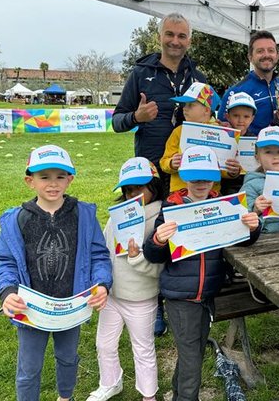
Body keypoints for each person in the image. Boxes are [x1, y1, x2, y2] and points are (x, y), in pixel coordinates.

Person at [0, 145, 112, 401]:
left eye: (60, 176)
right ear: (30, 181)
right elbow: (5, 262)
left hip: (70, 307)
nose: (53, 184)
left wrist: (101, 284)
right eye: (44, 177)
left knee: (68, 358)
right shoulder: (16, 220)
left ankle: (65, 396)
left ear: (70, 179)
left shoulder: (83, 215)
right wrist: (7, 292)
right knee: (29, 367)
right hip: (30, 309)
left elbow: (99, 255)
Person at [144, 146, 261, 401]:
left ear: (215, 179)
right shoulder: (170, 208)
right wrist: (158, 240)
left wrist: (253, 227)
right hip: (180, 297)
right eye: (195, 178)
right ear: (185, 177)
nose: (200, 184)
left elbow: (243, 240)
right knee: (191, 358)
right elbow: (152, 255)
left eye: (206, 178)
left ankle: (178, 394)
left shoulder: (224, 206)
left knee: (193, 352)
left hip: (208, 295)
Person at [87, 158, 165, 401]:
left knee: (143, 349)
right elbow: (103, 251)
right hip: (112, 295)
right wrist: (100, 282)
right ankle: (110, 382)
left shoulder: (160, 220)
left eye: (140, 188)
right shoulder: (116, 216)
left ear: (154, 186)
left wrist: (136, 258)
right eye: (128, 189)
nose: (133, 194)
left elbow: (159, 270)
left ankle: (148, 394)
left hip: (141, 299)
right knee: (104, 345)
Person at [112, 13, 207, 190]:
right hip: (152, 169)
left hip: (186, 170)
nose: (175, 41)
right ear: (159, 37)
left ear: (189, 41)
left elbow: (208, 120)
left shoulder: (198, 78)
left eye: (182, 36)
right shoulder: (141, 74)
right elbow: (116, 122)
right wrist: (135, 117)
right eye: (170, 34)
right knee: (155, 217)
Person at [160, 81, 229, 194]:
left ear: (207, 110)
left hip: (211, 193)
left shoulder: (221, 133)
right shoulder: (178, 132)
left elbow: (224, 167)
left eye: (190, 105)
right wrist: (172, 163)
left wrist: (231, 172)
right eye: (184, 105)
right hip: (180, 193)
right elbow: (164, 162)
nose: (184, 108)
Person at [217, 30, 279, 133]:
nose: (266, 55)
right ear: (250, 57)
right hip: (249, 148)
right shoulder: (235, 92)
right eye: (260, 51)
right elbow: (222, 129)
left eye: (271, 50)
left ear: (277, 55)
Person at [220, 92, 257, 196]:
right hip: (224, 187)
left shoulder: (255, 140)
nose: (241, 120)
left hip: (249, 187)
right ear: (227, 116)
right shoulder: (220, 137)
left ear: (252, 118)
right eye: (236, 115)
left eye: (246, 116)